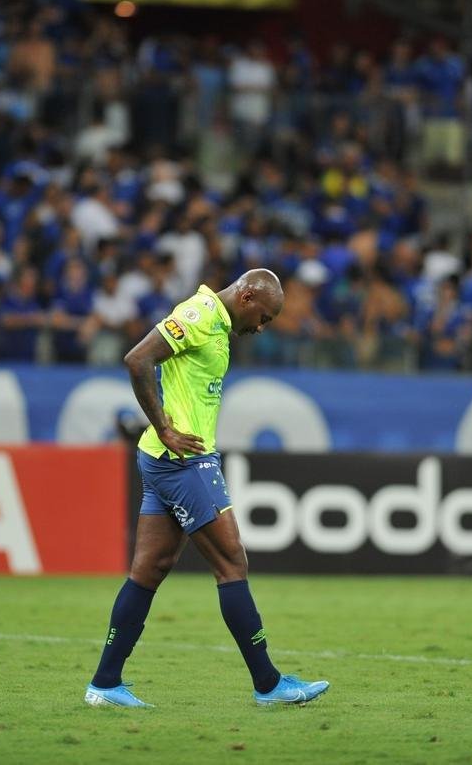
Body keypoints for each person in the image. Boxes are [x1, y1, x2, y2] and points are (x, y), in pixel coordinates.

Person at [85, 269, 329, 708]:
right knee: (232, 562)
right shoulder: (197, 314)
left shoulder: (217, 323)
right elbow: (137, 359)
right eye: (264, 317)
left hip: (166, 460)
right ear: (248, 294)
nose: (260, 327)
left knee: (149, 569)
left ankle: (104, 684)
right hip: (184, 461)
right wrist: (165, 428)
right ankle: (269, 685)